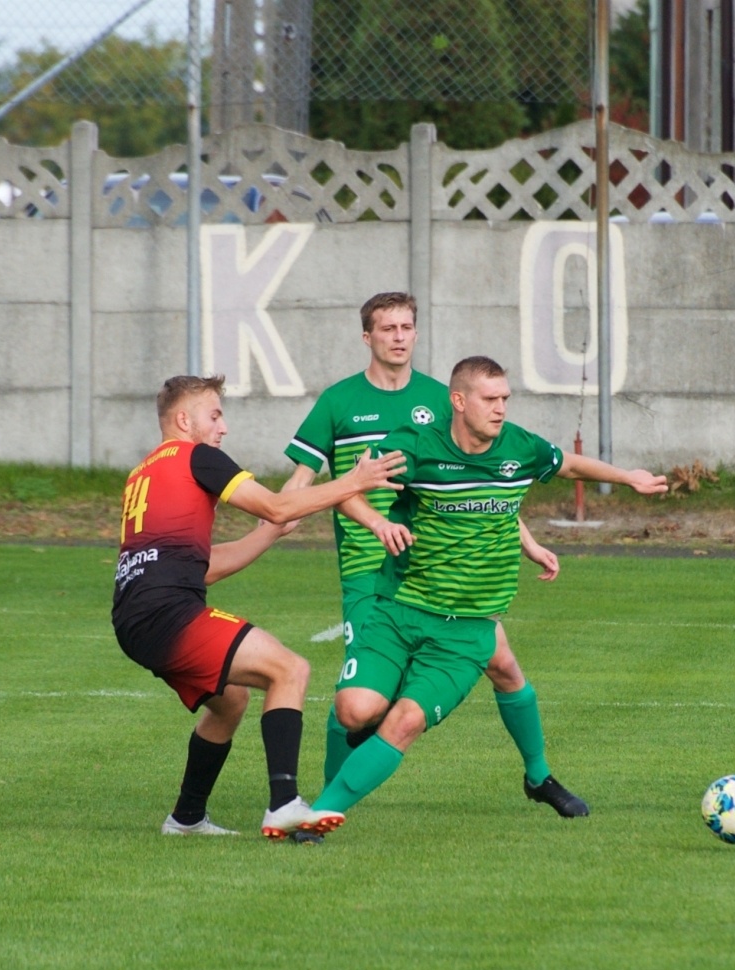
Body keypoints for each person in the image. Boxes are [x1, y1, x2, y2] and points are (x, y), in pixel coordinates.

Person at [298, 356, 668, 833]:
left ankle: (315, 816)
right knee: (354, 711)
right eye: (490, 399)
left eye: (505, 399)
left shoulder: (519, 449)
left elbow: (567, 463)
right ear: (458, 401)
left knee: (406, 721)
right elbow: (345, 489)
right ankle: (347, 765)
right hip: (400, 609)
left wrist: (626, 477)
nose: (500, 409)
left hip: (468, 627)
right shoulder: (416, 449)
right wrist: (379, 522)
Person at [283, 292, 589, 816]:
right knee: (356, 705)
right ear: (368, 337)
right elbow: (303, 484)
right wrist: (277, 517)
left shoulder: (447, 397)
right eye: (388, 328)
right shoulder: (339, 401)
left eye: (407, 326)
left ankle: (538, 776)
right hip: (372, 571)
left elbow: (483, 488)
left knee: (506, 669)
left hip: (447, 574)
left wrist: (529, 541)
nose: (399, 336)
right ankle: (327, 798)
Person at [112, 374, 405, 839]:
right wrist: (354, 481)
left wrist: (270, 532)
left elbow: (201, 567)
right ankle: (284, 804)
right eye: (215, 415)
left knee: (230, 702)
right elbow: (274, 505)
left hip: (135, 616)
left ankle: (186, 818)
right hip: (167, 614)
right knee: (289, 670)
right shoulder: (197, 457)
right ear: (184, 420)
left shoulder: (144, 473)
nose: (222, 427)